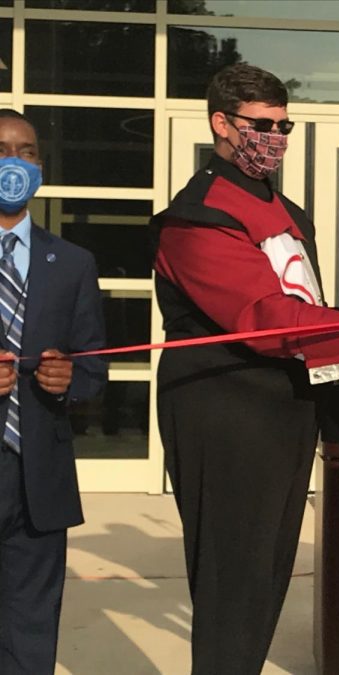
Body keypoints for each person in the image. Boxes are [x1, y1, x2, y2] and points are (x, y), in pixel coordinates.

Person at [151, 64, 339, 674]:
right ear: (221, 124)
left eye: (283, 125)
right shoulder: (196, 217)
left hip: (285, 410)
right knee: (234, 576)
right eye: (261, 125)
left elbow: (305, 302)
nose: (274, 138)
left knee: (267, 571)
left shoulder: (291, 211)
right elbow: (265, 316)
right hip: (226, 411)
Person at [0, 109, 106, 673]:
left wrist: (69, 381)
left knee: (32, 627)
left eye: (28, 151)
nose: (14, 162)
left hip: (39, 476)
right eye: (2, 149)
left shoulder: (71, 263)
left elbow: (93, 366)